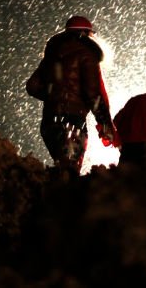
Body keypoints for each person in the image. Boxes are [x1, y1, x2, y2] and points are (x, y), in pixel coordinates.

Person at [26, 15, 117, 173]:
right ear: (86, 33)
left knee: (62, 170)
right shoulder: (87, 53)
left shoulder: (52, 54)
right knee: (70, 176)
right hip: (72, 122)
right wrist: (104, 123)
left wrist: (54, 94)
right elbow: (93, 94)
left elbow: (32, 86)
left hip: (49, 123)